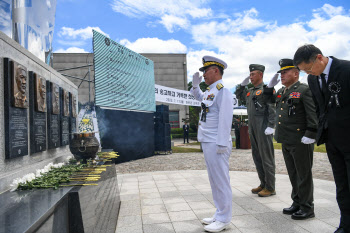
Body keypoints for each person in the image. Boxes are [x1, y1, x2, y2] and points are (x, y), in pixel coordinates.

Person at [294, 44, 350, 233]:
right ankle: (345, 225)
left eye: (308, 69)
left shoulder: (346, 69)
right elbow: (320, 108)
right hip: (332, 140)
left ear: (319, 57)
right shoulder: (312, 79)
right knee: (342, 186)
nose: (308, 73)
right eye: (303, 71)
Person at [265, 58, 318, 220]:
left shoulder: (304, 90)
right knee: (293, 174)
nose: (281, 75)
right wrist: (269, 87)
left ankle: (307, 207)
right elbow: (268, 100)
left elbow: (312, 114)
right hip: (286, 139)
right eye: (280, 73)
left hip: (301, 140)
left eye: (285, 72)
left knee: (303, 175)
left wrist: (311, 134)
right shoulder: (282, 91)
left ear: (296, 73)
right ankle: (297, 202)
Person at [190, 55, 233, 232]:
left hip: (217, 142)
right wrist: (194, 86)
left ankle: (224, 218)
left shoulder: (223, 91)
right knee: (214, 180)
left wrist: (222, 143)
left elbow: (225, 118)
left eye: (206, 71)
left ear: (216, 70)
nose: (204, 75)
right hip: (208, 140)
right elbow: (200, 98)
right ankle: (219, 213)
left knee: (221, 181)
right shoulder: (210, 91)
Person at [236, 64, 276, 197]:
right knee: (257, 157)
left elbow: (272, 108)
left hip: (263, 127)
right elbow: (238, 95)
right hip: (252, 127)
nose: (251, 77)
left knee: (266, 157)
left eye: (253, 74)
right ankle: (263, 183)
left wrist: (271, 125)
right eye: (250, 74)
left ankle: (270, 187)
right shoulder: (250, 91)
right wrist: (242, 85)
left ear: (261, 75)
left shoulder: (266, 89)